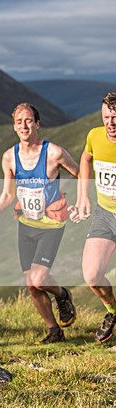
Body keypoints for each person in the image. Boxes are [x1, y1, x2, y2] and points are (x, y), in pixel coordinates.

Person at [0, 103, 79, 343]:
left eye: (28, 120)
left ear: (38, 123)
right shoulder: (9, 157)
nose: (24, 126)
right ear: (14, 127)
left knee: (38, 279)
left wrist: (82, 202)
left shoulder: (54, 153)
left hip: (52, 225)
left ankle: (62, 294)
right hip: (26, 225)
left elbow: (81, 174)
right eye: (19, 122)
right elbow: (8, 194)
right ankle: (54, 331)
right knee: (32, 285)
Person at [70, 92, 116, 342]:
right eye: (107, 117)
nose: (111, 123)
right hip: (106, 215)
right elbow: (86, 159)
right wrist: (83, 197)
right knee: (91, 274)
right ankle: (112, 311)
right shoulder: (94, 136)